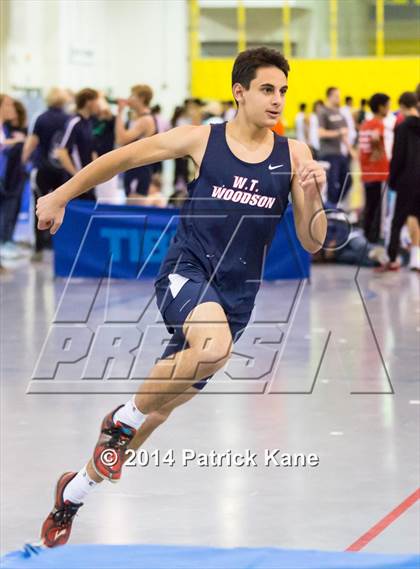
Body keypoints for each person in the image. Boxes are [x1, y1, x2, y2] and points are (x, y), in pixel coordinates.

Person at [35, 46, 327, 548]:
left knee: (162, 408)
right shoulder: (202, 139)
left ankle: (75, 492)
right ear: (239, 92)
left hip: (237, 298)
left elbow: (312, 240)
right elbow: (121, 158)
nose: (277, 99)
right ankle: (119, 417)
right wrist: (60, 196)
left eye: (283, 90)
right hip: (187, 273)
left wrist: (314, 193)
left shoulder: (294, 155)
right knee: (211, 351)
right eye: (266, 89)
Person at [22, 88, 70, 261]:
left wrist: (23, 159)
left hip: (43, 168)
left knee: (39, 207)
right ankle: (59, 246)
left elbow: (32, 142)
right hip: (61, 170)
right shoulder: (68, 119)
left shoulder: (41, 118)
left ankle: (39, 248)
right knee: (60, 207)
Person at [385, 91, 420, 271]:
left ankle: (392, 257)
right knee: (416, 216)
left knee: (397, 220)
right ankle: (416, 258)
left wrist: (393, 178)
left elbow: (398, 156)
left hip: (407, 178)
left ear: (403, 106)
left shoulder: (403, 126)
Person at [55, 88, 100, 201]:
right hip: (75, 185)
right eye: (96, 101)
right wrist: (76, 176)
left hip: (88, 182)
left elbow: (92, 152)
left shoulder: (89, 122)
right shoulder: (74, 122)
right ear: (89, 102)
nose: (98, 105)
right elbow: (62, 152)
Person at [358, 93, 390, 244]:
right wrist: (378, 152)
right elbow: (376, 137)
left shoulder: (365, 124)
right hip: (379, 173)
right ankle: (375, 240)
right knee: (379, 210)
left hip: (367, 172)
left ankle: (367, 238)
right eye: (387, 105)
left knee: (369, 208)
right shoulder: (378, 123)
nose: (389, 108)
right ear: (381, 107)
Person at [116, 84, 158, 198]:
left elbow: (121, 139)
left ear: (142, 98)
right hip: (134, 167)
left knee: (134, 205)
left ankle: (157, 201)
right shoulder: (138, 118)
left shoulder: (145, 120)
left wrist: (119, 112)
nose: (129, 99)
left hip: (139, 169)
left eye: (132, 96)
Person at [0, 95, 27, 260]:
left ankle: (6, 242)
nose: (12, 108)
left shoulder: (4, 128)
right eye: (8, 105)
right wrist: (17, 141)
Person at [318, 87, 351, 206]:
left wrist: (351, 150)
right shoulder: (323, 112)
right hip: (328, 153)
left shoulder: (339, 113)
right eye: (336, 96)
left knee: (348, 180)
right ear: (329, 96)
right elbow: (320, 133)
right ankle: (330, 208)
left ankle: (334, 205)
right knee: (332, 183)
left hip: (339, 153)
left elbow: (344, 134)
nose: (339, 98)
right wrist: (338, 132)